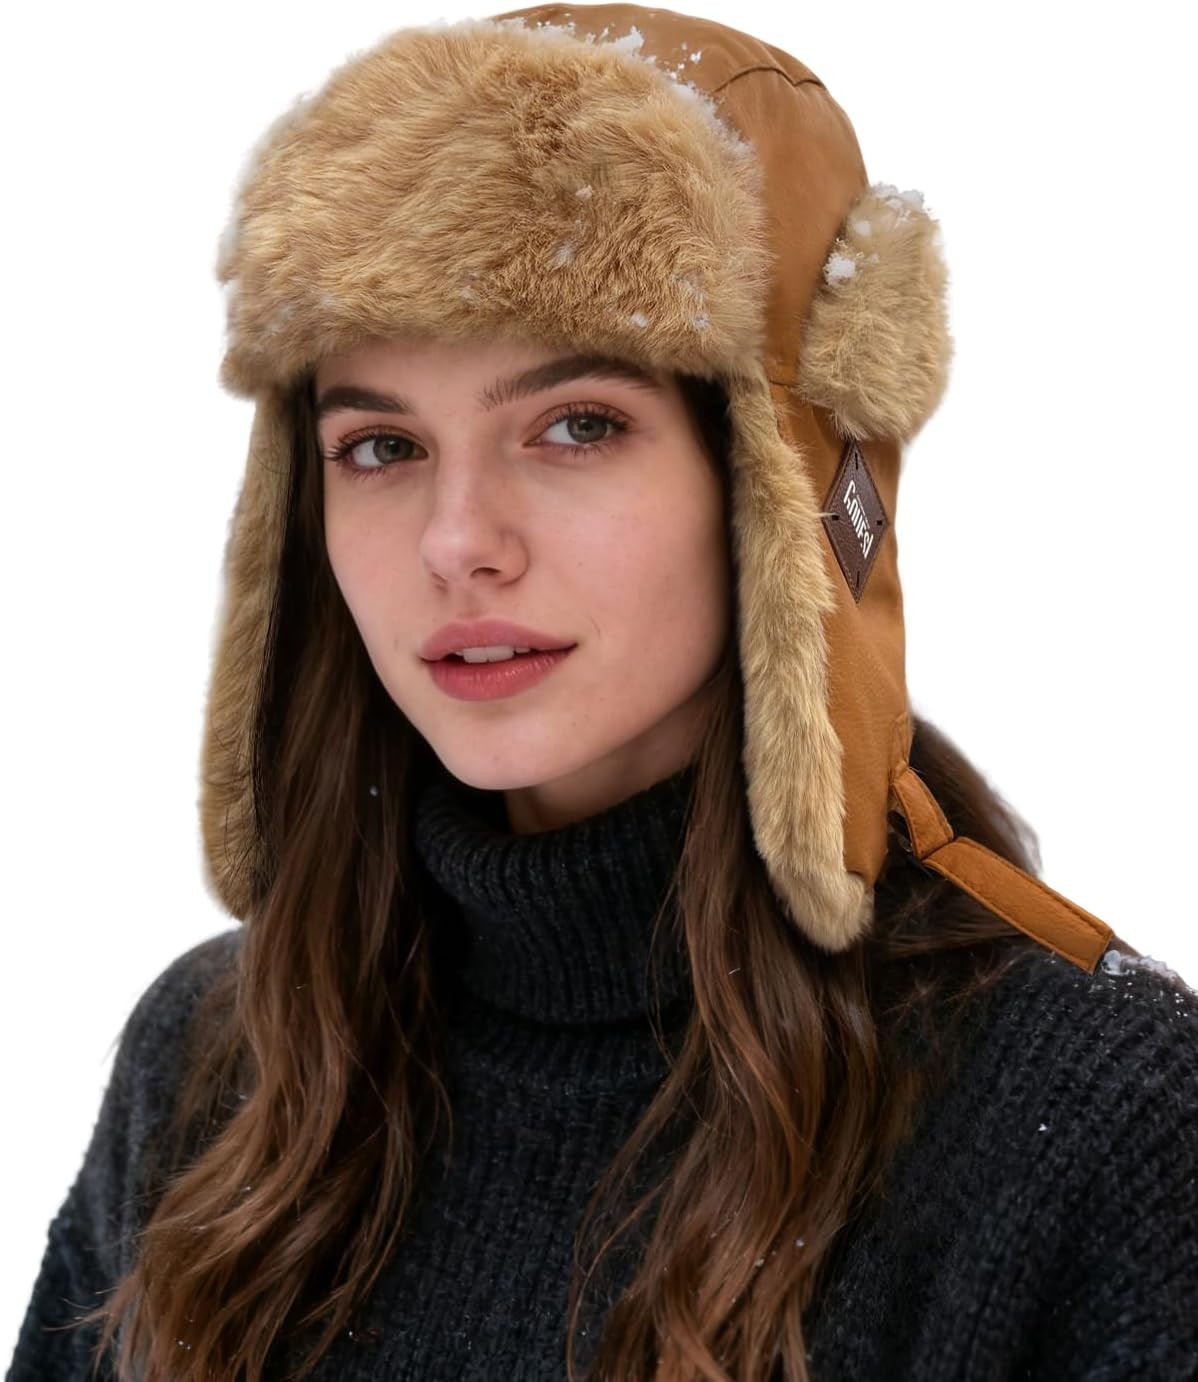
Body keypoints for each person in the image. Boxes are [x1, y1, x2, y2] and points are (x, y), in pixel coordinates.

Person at [9, 5, 1196, 1381]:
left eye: (576, 425)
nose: (458, 541)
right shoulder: (218, 1064)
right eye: (381, 445)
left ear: (777, 479)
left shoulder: (1091, 1117)